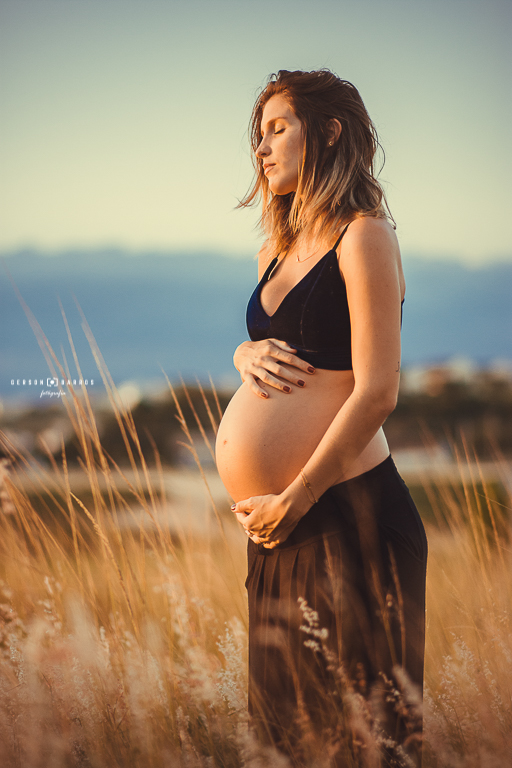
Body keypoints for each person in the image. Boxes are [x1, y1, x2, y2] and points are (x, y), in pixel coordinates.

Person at [215, 69, 428, 767]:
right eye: (259, 134)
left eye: (278, 128)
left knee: (360, 740)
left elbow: (376, 393)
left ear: (328, 131)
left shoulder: (364, 237)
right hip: (278, 528)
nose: (262, 148)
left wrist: (296, 498)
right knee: (284, 740)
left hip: (346, 514)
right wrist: (244, 351)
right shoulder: (274, 247)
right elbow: (288, 354)